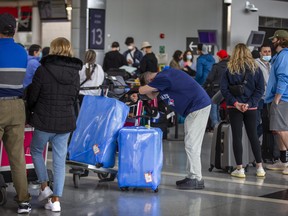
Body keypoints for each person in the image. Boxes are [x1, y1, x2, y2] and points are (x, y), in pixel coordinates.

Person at [27, 37, 82, 212]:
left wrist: (31, 111)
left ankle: (44, 186)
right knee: (59, 161)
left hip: (44, 120)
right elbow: (74, 98)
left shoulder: (43, 70)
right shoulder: (75, 73)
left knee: (36, 150)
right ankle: (56, 200)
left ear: (53, 49)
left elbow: (33, 95)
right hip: (65, 122)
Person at [138, 67, 211, 189]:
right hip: (193, 109)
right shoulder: (164, 80)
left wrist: (139, 89)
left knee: (192, 144)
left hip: (198, 106)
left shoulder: (163, 77)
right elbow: (152, 96)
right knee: (190, 143)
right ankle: (191, 177)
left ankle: (196, 178)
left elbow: (143, 90)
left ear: (150, 80)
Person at [0, 13, 32, 214]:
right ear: (14, 30)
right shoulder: (22, 52)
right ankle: (23, 201)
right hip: (17, 107)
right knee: (17, 157)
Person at [220, 43, 265, 178]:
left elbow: (224, 90)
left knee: (237, 137)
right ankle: (259, 167)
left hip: (234, 108)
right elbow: (260, 90)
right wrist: (249, 103)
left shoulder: (229, 69)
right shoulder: (256, 69)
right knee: (253, 137)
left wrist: (236, 103)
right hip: (251, 108)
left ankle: (239, 169)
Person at [264, 30, 288, 174]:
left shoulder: (284, 55)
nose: (272, 42)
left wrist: (277, 99)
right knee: (276, 131)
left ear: (280, 40)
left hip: (282, 99)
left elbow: (284, 78)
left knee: (282, 129)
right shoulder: (279, 56)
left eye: (274, 40)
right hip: (276, 98)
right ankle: (283, 161)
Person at [203, 49, 229, 128]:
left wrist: (204, 85)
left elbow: (210, 78)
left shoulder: (216, 66)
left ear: (220, 57)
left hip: (215, 89)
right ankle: (220, 125)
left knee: (214, 106)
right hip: (226, 90)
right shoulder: (230, 66)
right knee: (219, 107)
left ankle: (215, 125)